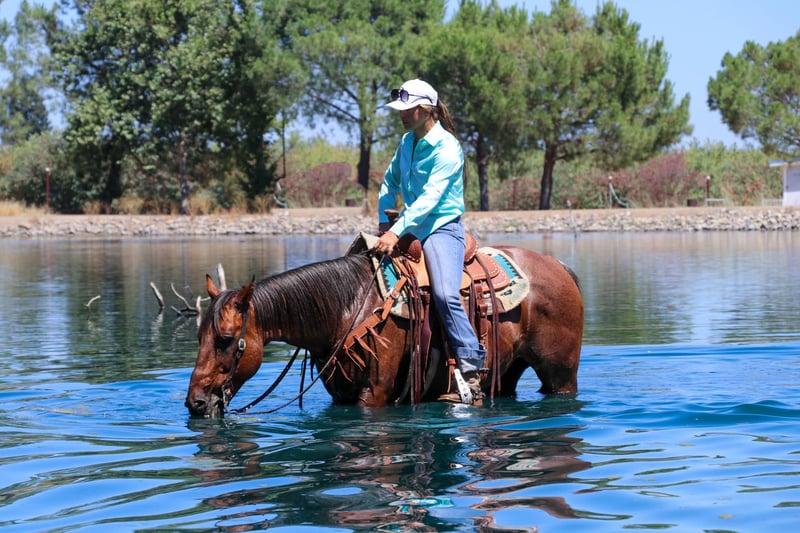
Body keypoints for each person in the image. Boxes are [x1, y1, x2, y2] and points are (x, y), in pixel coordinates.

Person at [372, 78, 485, 404]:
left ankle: (471, 370)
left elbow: (430, 200)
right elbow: (389, 182)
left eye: (407, 109)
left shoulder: (448, 148)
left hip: (441, 229)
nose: (401, 115)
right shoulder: (407, 142)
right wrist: (384, 223)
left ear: (425, 110)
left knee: (445, 294)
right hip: (406, 228)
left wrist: (396, 231)